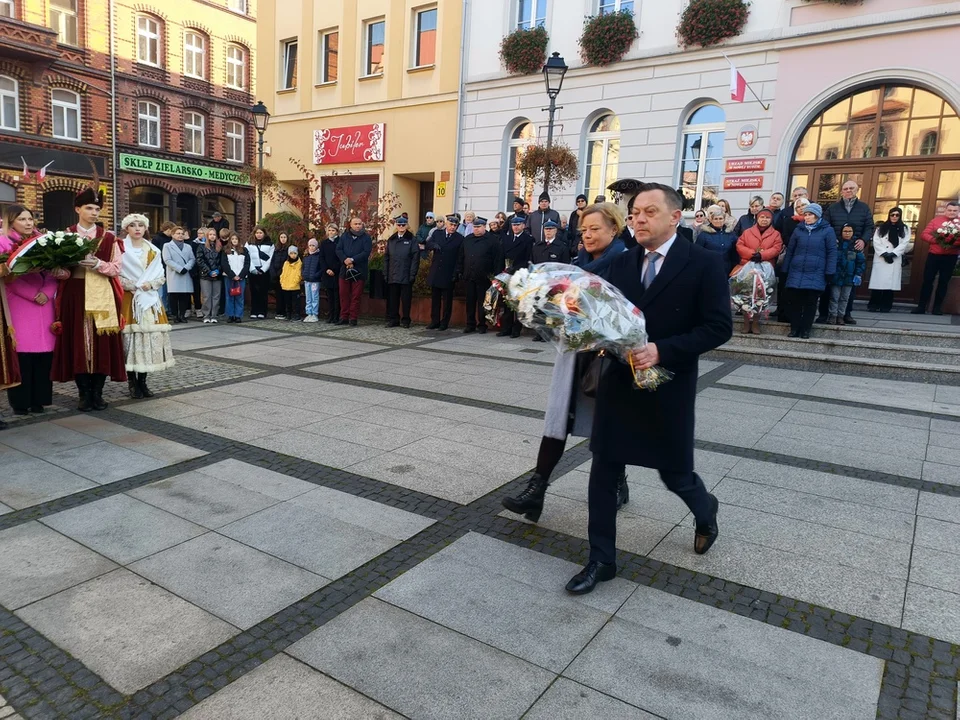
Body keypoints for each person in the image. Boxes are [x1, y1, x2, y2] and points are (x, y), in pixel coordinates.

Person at [565, 184, 732, 595]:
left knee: (674, 473)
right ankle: (601, 559)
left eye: (649, 212)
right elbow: (602, 313)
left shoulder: (704, 263)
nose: (638, 219)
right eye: (635, 212)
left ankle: (705, 510)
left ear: (675, 217)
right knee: (603, 470)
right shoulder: (621, 264)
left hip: (669, 385)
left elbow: (718, 327)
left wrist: (663, 350)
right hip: (620, 382)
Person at [502, 202, 628, 524]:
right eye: (584, 229)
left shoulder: (625, 263)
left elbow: (625, 315)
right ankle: (536, 492)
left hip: (608, 357)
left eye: (595, 229)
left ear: (614, 229)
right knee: (557, 421)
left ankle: (618, 483)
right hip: (573, 354)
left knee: (609, 426)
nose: (587, 235)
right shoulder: (579, 263)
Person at [52, 185, 126, 412]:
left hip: (103, 293)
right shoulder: (65, 236)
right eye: (89, 208)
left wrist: (97, 264)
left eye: (97, 208)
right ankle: (83, 393)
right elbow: (62, 271)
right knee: (78, 342)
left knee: (102, 343)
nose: (94, 212)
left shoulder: (108, 238)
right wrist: (59, 271)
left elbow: (117, 268)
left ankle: (98, 392)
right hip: (75, 293)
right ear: (78, 209)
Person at [0, 205, 56, 415]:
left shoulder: (42, 241)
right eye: (22, 219)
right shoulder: (4, 243)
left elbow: (53, 271)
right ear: (11, 221)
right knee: (23, 357)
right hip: (20, 304)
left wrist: (47, 292)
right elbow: (9, 279)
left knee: (44, 358)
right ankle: (21, 402)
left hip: (45, 303)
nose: (28, 223)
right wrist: (33, 295)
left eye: (30, 219)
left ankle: (39, 400)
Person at [118, 214, 174, 399]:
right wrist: (131, 285)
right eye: (133, 225)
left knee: (147, 339)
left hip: (149, 299)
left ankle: (143, 381)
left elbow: (160, 275)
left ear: (145, 228)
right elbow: (116, 274)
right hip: (129, 299)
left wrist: (151, 284)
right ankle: (132, 382)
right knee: (130, 339)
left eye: (140, 225)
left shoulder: (153, 251)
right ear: (127, 228)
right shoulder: (120, 249)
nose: (137, 228)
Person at [782, 203, 837, 339]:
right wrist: (785, 268)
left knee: (810, 303)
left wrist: (830, 271)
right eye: (805, 214)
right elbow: (791, 251)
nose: (807, 217)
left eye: (810, 214)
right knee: (795, 302)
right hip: (797, 271)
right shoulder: (798, 230)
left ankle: (806, 329)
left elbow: (832, 252)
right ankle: (795, 328)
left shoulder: (827, 231)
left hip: (816, 272)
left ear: (817, 216)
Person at [822, 180, 874, 324]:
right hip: (836, 249)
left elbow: (869, 226)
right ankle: (826, 314)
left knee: (848, 287)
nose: (848, 191)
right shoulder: (833, 208)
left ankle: (846, 314)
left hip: (854, 249)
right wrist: (832, 239)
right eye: (845, 188)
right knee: (831, 284)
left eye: (851, 188)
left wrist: (863, 240)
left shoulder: (864, 208)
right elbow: (826, 225)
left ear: (857, 190)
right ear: (841, 191)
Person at [732, 208, 783, 334]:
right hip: (747, 267)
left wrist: (762, 255)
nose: (764, 220)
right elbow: (739, 245)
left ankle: (755, 322)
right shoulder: (747, 232)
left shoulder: (775, 234)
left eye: (767, 218)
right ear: (757, 218)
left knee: (761, 296)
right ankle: (745, 322)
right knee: (745, 295)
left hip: (765, 268)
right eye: (762, 217)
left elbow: (777, 248)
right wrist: (751, 254)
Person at [912, 201, 960, 315]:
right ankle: (921, 306)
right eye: (950, 210)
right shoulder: (936, 221)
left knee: (944, 282)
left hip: (950, 256)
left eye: (955, 211)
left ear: (958, 212)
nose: (952, 212)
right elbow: (924, 234)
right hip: (934, 255)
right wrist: (937, 240)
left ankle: (937, 308)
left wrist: (954, 242)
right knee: (928, 280)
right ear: (945, 210)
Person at [457, 216, 501, 335]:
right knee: (470, 302)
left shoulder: (492, 240)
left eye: (478, 227)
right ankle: (470, 324)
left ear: (484, 227)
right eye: (474, 227)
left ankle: (482, 324)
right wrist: (460, 271)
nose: (476, 229)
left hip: (484, 277)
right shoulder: (467, 239)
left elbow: (497, 259)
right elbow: (461, 256)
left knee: (483, 303)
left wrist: (496, 276)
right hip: (469, 276)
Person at [868, 207, 912, 313]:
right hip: (881, 258)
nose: (894, 217)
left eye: (897, 215)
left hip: (895, 259)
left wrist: (893, 254)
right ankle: (873, 304)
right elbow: (876, 241)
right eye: (892, 215)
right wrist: (884, 254)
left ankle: (886, 306)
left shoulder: (905, 228)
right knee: (878, 283)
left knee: (889, 285)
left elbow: (905, 243)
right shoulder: (881, 228)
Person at [424, 214, 463, 331]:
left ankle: (444, 322)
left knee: (447, 301)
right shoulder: (437, 233)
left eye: (455, 225)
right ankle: (434, 321)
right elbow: (428, 244)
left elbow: (460, 258)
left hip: (448, 272)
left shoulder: (459, 238)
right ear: (446, 224)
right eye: (451, 224)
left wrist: (456, 272)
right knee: (435, 299)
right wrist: (433, 245)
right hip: (436, 271)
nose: (452, 227)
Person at [775, 197, 810, 323]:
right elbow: (785, 236)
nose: (801, 209)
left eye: (803, 206)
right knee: (786, 287)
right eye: (798, 207)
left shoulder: (813, 222)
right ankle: (784, 313)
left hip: (807, 259)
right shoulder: (789, 221)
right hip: (791, 257)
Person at [498, 216, 533, 338]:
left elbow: (528, 259)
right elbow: (502, 255)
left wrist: (516, 268)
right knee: (507, 302)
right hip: (507, 274)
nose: (516, 227)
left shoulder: (528, 239)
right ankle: (506, 328)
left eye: (518, 225)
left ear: (523, 225)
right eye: (514, 225)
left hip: (520, 274)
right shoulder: (507, 238)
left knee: (518, 303)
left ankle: (516, 329)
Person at [384, 216, 420, 328]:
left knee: (406, 300)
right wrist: (385, 273)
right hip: (393, 273)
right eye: (399, 225)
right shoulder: (392, 239)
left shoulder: (412, 239)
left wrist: (412, 274)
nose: (401, 227)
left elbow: (415, 258)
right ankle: (394, 319)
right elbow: (386, 258)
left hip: (406, 274)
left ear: (407, 226)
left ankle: (406, 320)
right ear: (396, 225)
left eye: (403, 225)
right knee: (393, 299)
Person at [827, 224, 866, 325]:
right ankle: (833, 315)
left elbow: (860, 262)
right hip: (836, 276)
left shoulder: (855, 246)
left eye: (849, 231)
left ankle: (841, 316)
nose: (847, 233)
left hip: (849, 277)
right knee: (834, 297)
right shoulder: (835, 245)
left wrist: (858, 274)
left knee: (845, 298)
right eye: (845, 231)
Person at [336, 218, 372, 326]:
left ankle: (353, 318)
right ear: (350, 225)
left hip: (359, 270)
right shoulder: (345, 236)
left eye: (360, 224)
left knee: (356, 296)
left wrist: (352, 259)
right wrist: (345, 259)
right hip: (345, 269)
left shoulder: (366, 238)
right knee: (343, 294)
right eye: (355, 224)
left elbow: (366, 252)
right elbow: (338, 249)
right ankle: (344, 316)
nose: (357, 226)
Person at [162, 226, 195, 324]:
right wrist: (179, 269)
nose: (180, 235)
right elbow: (167, 260)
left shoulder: (188, 246)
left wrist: (186, 267)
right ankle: (175, 315)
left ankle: (182, 315)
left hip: (185, 273)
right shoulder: (167, 246)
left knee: (184, 296)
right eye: (178, 233)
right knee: (174, 296)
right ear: (172, 235)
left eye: (182, 233)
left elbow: (192, 259)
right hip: (174, 273)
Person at [695, 205, 738, 273]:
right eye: (716, 219)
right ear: (711, 220)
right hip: (709, 269)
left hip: (726, 269)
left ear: (724, 220)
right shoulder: (704, 235)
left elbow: (735, 254)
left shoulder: (730, 234)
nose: (718, 221)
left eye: (720, 218)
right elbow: (697, 253)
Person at [221, 233, 250, 323]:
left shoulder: (244, 250)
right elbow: (224, 264)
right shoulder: (226, 250)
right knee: (229, 296)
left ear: (239, 240)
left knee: (239, 296)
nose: (234, 240)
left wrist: (240, 275)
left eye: (236, 239)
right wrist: (232, 275)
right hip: (229, 277)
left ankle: (238, 315)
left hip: (241, 277)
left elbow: (247, 264)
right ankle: (230, 315)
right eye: (232, 239)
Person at [195, 228, 222, 324]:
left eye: (214, 234)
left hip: (217, 275)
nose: (212, 236)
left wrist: (218, 270)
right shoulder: (201, 247)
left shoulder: (219, 247)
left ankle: (214, 315)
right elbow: (200, 260)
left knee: (216, 296)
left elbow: (222, 260)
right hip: (205, 275)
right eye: (210, 234)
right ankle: (206, 315)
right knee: (206, 296)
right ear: (207, 236)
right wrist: (209, 271)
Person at [248, 226, 273, 319]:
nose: (259, 235)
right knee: (254, 292)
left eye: (260, 233)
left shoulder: (270, 244)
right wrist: (253, 269)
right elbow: (247, 257)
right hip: (253, 271)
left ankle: (262, 311)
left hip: (264, 272)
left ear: (264, 234)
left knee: (263, 292)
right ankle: (254, 311)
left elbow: (270, 258)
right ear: (254, 234)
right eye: (257, 233)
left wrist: (263, 269)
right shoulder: (249, 244)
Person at [153, 221, 176, 315]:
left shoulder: (172, 240)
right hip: (161, 267)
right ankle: (163, 309)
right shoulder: (157, 239)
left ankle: (169, 309)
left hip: (170, 268)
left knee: (169, 291)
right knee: (163, 291)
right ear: (168, 229)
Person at [319, 224, 341, 323]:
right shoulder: (324, 243)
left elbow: (341, 258)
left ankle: (336, 316)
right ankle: (331, 315)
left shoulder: (340, 242)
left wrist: (334, 269)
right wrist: (326, 269)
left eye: (333, 230)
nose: (331, 232)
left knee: (337, 296)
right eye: (329, 230)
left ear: (337, 231)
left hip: (337, 273)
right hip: (327, 273)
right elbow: (321, 258)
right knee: (330, 296)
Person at [269, 231, 291, 318]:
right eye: (281, 237)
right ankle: (279, 311)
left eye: (284, 237)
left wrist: (280, 273)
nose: (283, 239)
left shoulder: (289, 249)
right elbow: (272, 261)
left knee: (284, 294)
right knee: (278, 294)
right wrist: (273, 273)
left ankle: (285, 312)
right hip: (276, 276)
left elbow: (287, 262)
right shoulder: (276, 249)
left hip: (284, 275)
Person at [301, 238, 323, 322]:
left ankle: (314, 313)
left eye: (313, 245)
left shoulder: (319, 256)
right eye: (310, 245)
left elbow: (321, 268)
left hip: (315, 281)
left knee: (314, 297)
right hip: (307, 280)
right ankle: (309, 313)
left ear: (316, 246)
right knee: (308, 297)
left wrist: (316, 275)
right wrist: (304, 274)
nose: (311, 247)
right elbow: (303, 267)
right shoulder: (306, 256)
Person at [280, 244, 303, 321]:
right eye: (291, 253)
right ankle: (288, 314)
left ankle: (297, 315)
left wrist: (295, 282)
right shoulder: (286, 263)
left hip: (295, 286)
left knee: (296, 302)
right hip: (285, 286)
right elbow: (283, 274)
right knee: (287, 302)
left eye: (294, 253)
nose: (293, 255)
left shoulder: (299, 263)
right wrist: (282, 282)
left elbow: (299, 275)